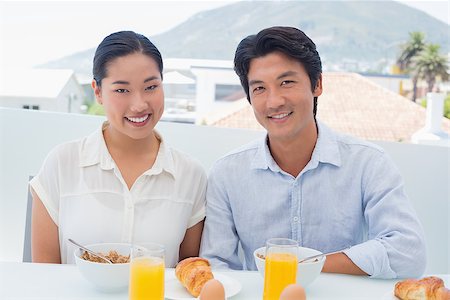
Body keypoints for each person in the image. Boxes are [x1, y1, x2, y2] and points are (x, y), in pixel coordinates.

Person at [200, 26, 426, 278]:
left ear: (317, 84)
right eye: (260, 88)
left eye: (286, 82)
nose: (274, 101)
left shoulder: (367, 162)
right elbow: (216, 265)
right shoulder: (227, 173)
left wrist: (299, 267)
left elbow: (408, 251)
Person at [30, 31, 207, 266]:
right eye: (122, 90)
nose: (139, 105)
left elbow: (187, 274)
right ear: (98, 92)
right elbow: (44, 275)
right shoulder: (62, 163)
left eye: (151, 87)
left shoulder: (190, 175)